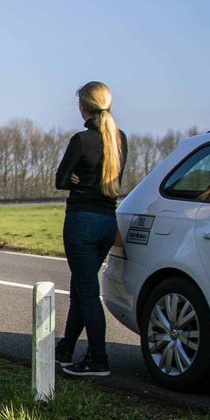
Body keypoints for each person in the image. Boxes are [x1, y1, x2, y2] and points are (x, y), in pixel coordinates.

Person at [54, 81, 127, 377]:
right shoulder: (119, 138)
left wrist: (74, 177)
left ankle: (98, 359)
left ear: (84, 106)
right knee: (80, 287)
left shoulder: (81, 140)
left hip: (81, 221)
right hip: (108, 222)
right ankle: (66, 348)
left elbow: (60, 180)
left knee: (85, 291)